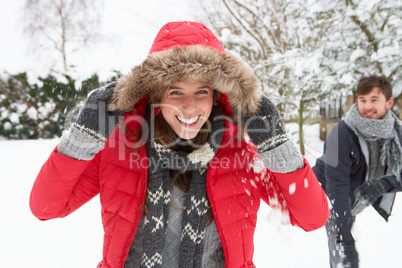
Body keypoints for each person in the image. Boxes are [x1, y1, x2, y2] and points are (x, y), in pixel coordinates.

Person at [30, 21, 329, 268]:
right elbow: (46, 207)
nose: (190, 107)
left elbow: (312, 218)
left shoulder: (239, 156)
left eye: (201, 91)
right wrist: (82, 137)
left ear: (216, 96)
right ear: (156, 96)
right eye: (175, 92)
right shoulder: (120, 151)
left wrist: (277, 147)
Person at [313, 75, 402, 268]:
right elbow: (337, 188)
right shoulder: (342, 134)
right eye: (362, 100)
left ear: (389, 102)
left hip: (352, 199)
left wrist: (383, 184)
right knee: (344, 259)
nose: (367, 106)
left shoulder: (395, 132)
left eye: (374, 100)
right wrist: (345, 239)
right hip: (324, 194)